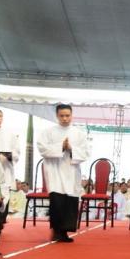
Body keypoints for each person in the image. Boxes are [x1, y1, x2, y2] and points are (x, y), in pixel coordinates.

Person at [36, 104, 90, 242]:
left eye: (67, 115)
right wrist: (61, 146)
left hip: (71, 172)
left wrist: (71, 148)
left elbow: (85, 153)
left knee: (70, 202)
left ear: (72, 115)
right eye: (62, 116)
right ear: (57, 116)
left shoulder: (79, 133)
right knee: (57, 202)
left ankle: (64, 232)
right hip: (54, 171)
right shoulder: (48, 132)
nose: (65, 118)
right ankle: (56, 230)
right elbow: (42, 149)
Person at [0, 107, 20, 231]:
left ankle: (0, 223)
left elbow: (17, 152)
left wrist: (8, 155)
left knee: (3, 196)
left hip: (5, 170)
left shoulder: (10, 134)